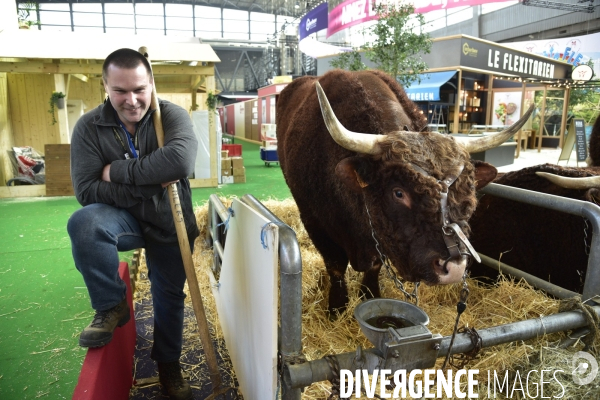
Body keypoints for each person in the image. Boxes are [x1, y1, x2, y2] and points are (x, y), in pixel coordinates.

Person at [67, 48, 199, 400]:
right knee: (84, 223)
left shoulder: (170, 116)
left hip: (171, 220)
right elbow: (87, 190)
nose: (132, 100)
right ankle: (111, 304)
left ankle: (168, 364)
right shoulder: (89, 127)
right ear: (105, 87)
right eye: (120, 91)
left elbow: (180, 162)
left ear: (151, 83)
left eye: (140, 89)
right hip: (122, 220)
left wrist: (118, 173)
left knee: (168, 296)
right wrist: (150, 181)